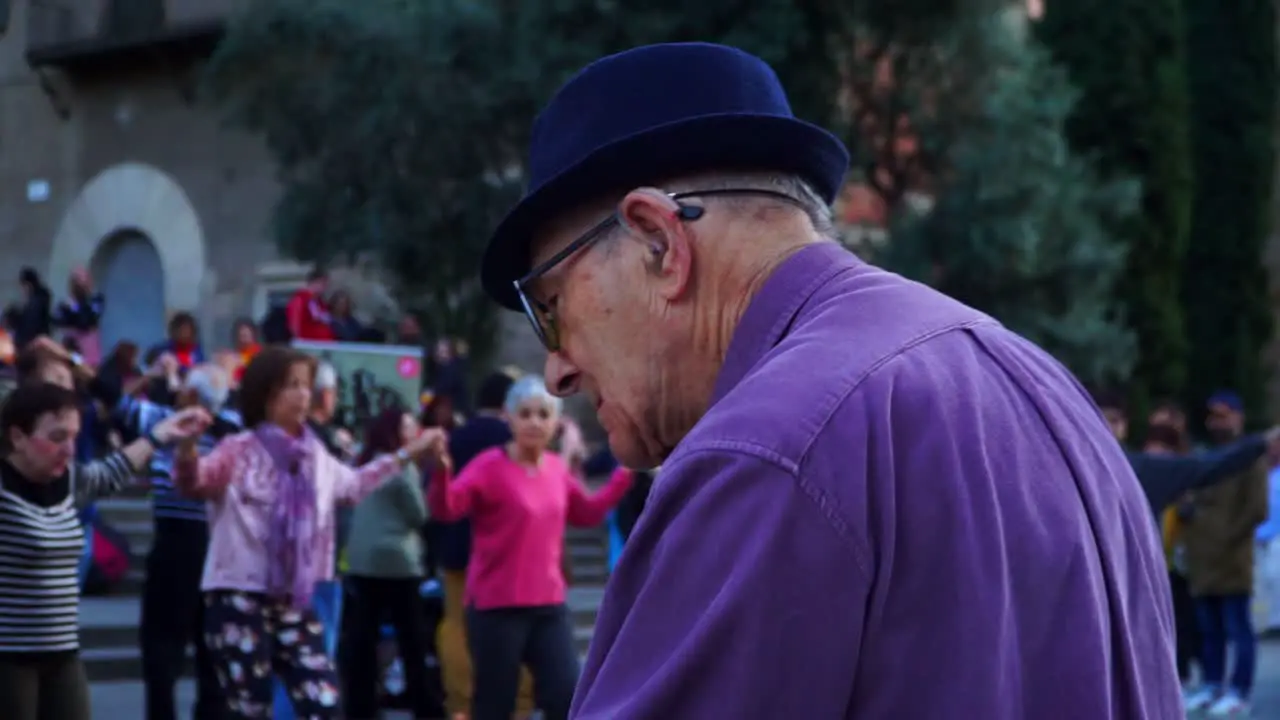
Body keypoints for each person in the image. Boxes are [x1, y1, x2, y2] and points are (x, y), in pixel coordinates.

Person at [476, 42, 1181, 718]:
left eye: (551, 309)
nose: (557, 370)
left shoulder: (770, 446)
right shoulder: (1040, 379)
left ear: (660, 242)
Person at [171, 346, 441, 719]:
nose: (303, 394)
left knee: (323, 701)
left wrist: (407, 454)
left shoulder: (316, 455)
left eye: (306, 385)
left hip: (294, 598)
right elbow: (193, 482)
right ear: (266, 394)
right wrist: (186, 445)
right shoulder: (238, 449)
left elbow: (354, 486)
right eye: (291, 385)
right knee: (250, 706)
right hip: (238, 593)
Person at [426, 376, 632, 720]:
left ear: (554, 422)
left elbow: (586, 511)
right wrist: (441, 474)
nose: (534, 422)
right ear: (508, 418)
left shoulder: (556, 469)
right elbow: (447, 508)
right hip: (496, 607)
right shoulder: (489, 466)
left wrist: (624, 475)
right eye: (525, 414)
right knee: (495, 704)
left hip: (548, 606)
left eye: (542, 414)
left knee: (565, 695)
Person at [0, 381, 207, 720]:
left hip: (63, 654)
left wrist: (159, 435)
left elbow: (113, 471)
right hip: (9, 658)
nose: (69, 449)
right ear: (18, 437)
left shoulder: (69, 481)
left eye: (73, 436)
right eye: (56, 438)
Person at [103, 364, 243, 720]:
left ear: (193, 396)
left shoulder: (167, 421)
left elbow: (111, 396)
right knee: (211, 650)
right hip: (217, 551)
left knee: (162, 648)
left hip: (176, 545)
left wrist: (151, 376)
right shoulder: (234, 428)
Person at [342, 408, 437, 720]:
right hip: (398, 562)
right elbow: (419, 513)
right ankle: (424, 705)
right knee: (412, 640)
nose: (414, 433)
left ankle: (360, 707)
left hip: (361, 561)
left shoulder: (363, 460)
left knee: (363, 640)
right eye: (409, 427)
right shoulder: (401, 466)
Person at [1182, 391, 1269, 717]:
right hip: (1201, 559)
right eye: (1213, 415)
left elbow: (1256, 509)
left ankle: (1239, 691)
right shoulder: (1204, 456)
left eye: (1225, 415)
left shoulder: (1250, 457)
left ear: (1239, 417)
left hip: (1232, 559)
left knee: (1237, 627)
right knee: (1208, 628)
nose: (1218, 422)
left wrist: (1227, 539)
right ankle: (1212, 683)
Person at [52, 269, 104, 366]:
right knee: (71, 365)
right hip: (71, 346)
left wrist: (74, 308)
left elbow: (86, 320)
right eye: (77, 283)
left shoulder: (96, 300)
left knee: (86, 368)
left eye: (83, 283)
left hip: (88, 347)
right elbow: (57, 320)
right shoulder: (65, 304)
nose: (80, 286)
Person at [286, 268, 335, 342]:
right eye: (323, 283)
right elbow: (294, 324)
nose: (325, 287)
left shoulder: (321, 303)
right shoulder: (299, 300)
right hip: (308, 344)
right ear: (313, 282)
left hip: (324, 344)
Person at [12, 268, 52, 349]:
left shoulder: (35, 303)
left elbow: (29, 327)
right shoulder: (40, 299)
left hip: (32, 345)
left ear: (28, 285)